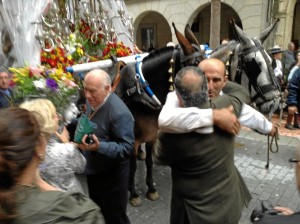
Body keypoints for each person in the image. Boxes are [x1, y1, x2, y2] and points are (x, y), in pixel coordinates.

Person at [154, 66, 252, 224]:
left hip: (195, 215)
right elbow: (242, 91)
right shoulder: (227, 105)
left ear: (178, 97)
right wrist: (215, 71)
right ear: (207, 89)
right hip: (230, 205)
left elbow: (158, 157)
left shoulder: (169, 135)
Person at [0, 107, 105, 224]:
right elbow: (90, 214)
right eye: (54, 115)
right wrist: (68, 145)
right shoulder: (67, 210)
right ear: (38, 146)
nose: (58, 116)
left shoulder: (8, 199)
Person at [159, 58, 276, 136]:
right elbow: (164, 120)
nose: (210, 87)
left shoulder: (229, 102)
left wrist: (270, 129)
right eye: (204, 79)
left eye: (216, 80)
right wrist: (215, 116)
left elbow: (251, 116)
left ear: (224, 81)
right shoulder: (178, 96)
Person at [76, 69, 134, 224]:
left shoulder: (120, 113)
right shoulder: (93, 100)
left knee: (115, 217)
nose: (87, 96)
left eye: (92, 91)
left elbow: (127, 148)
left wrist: (100, 147)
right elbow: (87, 118)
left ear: (107, 89)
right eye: (85, 89)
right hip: (95, 171)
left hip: (112, 180)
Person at [19, 98, 88, 195]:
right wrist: (66, 143)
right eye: (54, 114)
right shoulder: (67, 150)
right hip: (69, 199)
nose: (58, 116)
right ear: (48, 121)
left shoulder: (23, 151)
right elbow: (82, 167)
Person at [285, 51, 300, 129]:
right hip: (292, 88)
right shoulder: (295, 67)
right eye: (298, 55)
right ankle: (289, 123)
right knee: (293, 108)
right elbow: (290, 78)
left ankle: (296, 123)